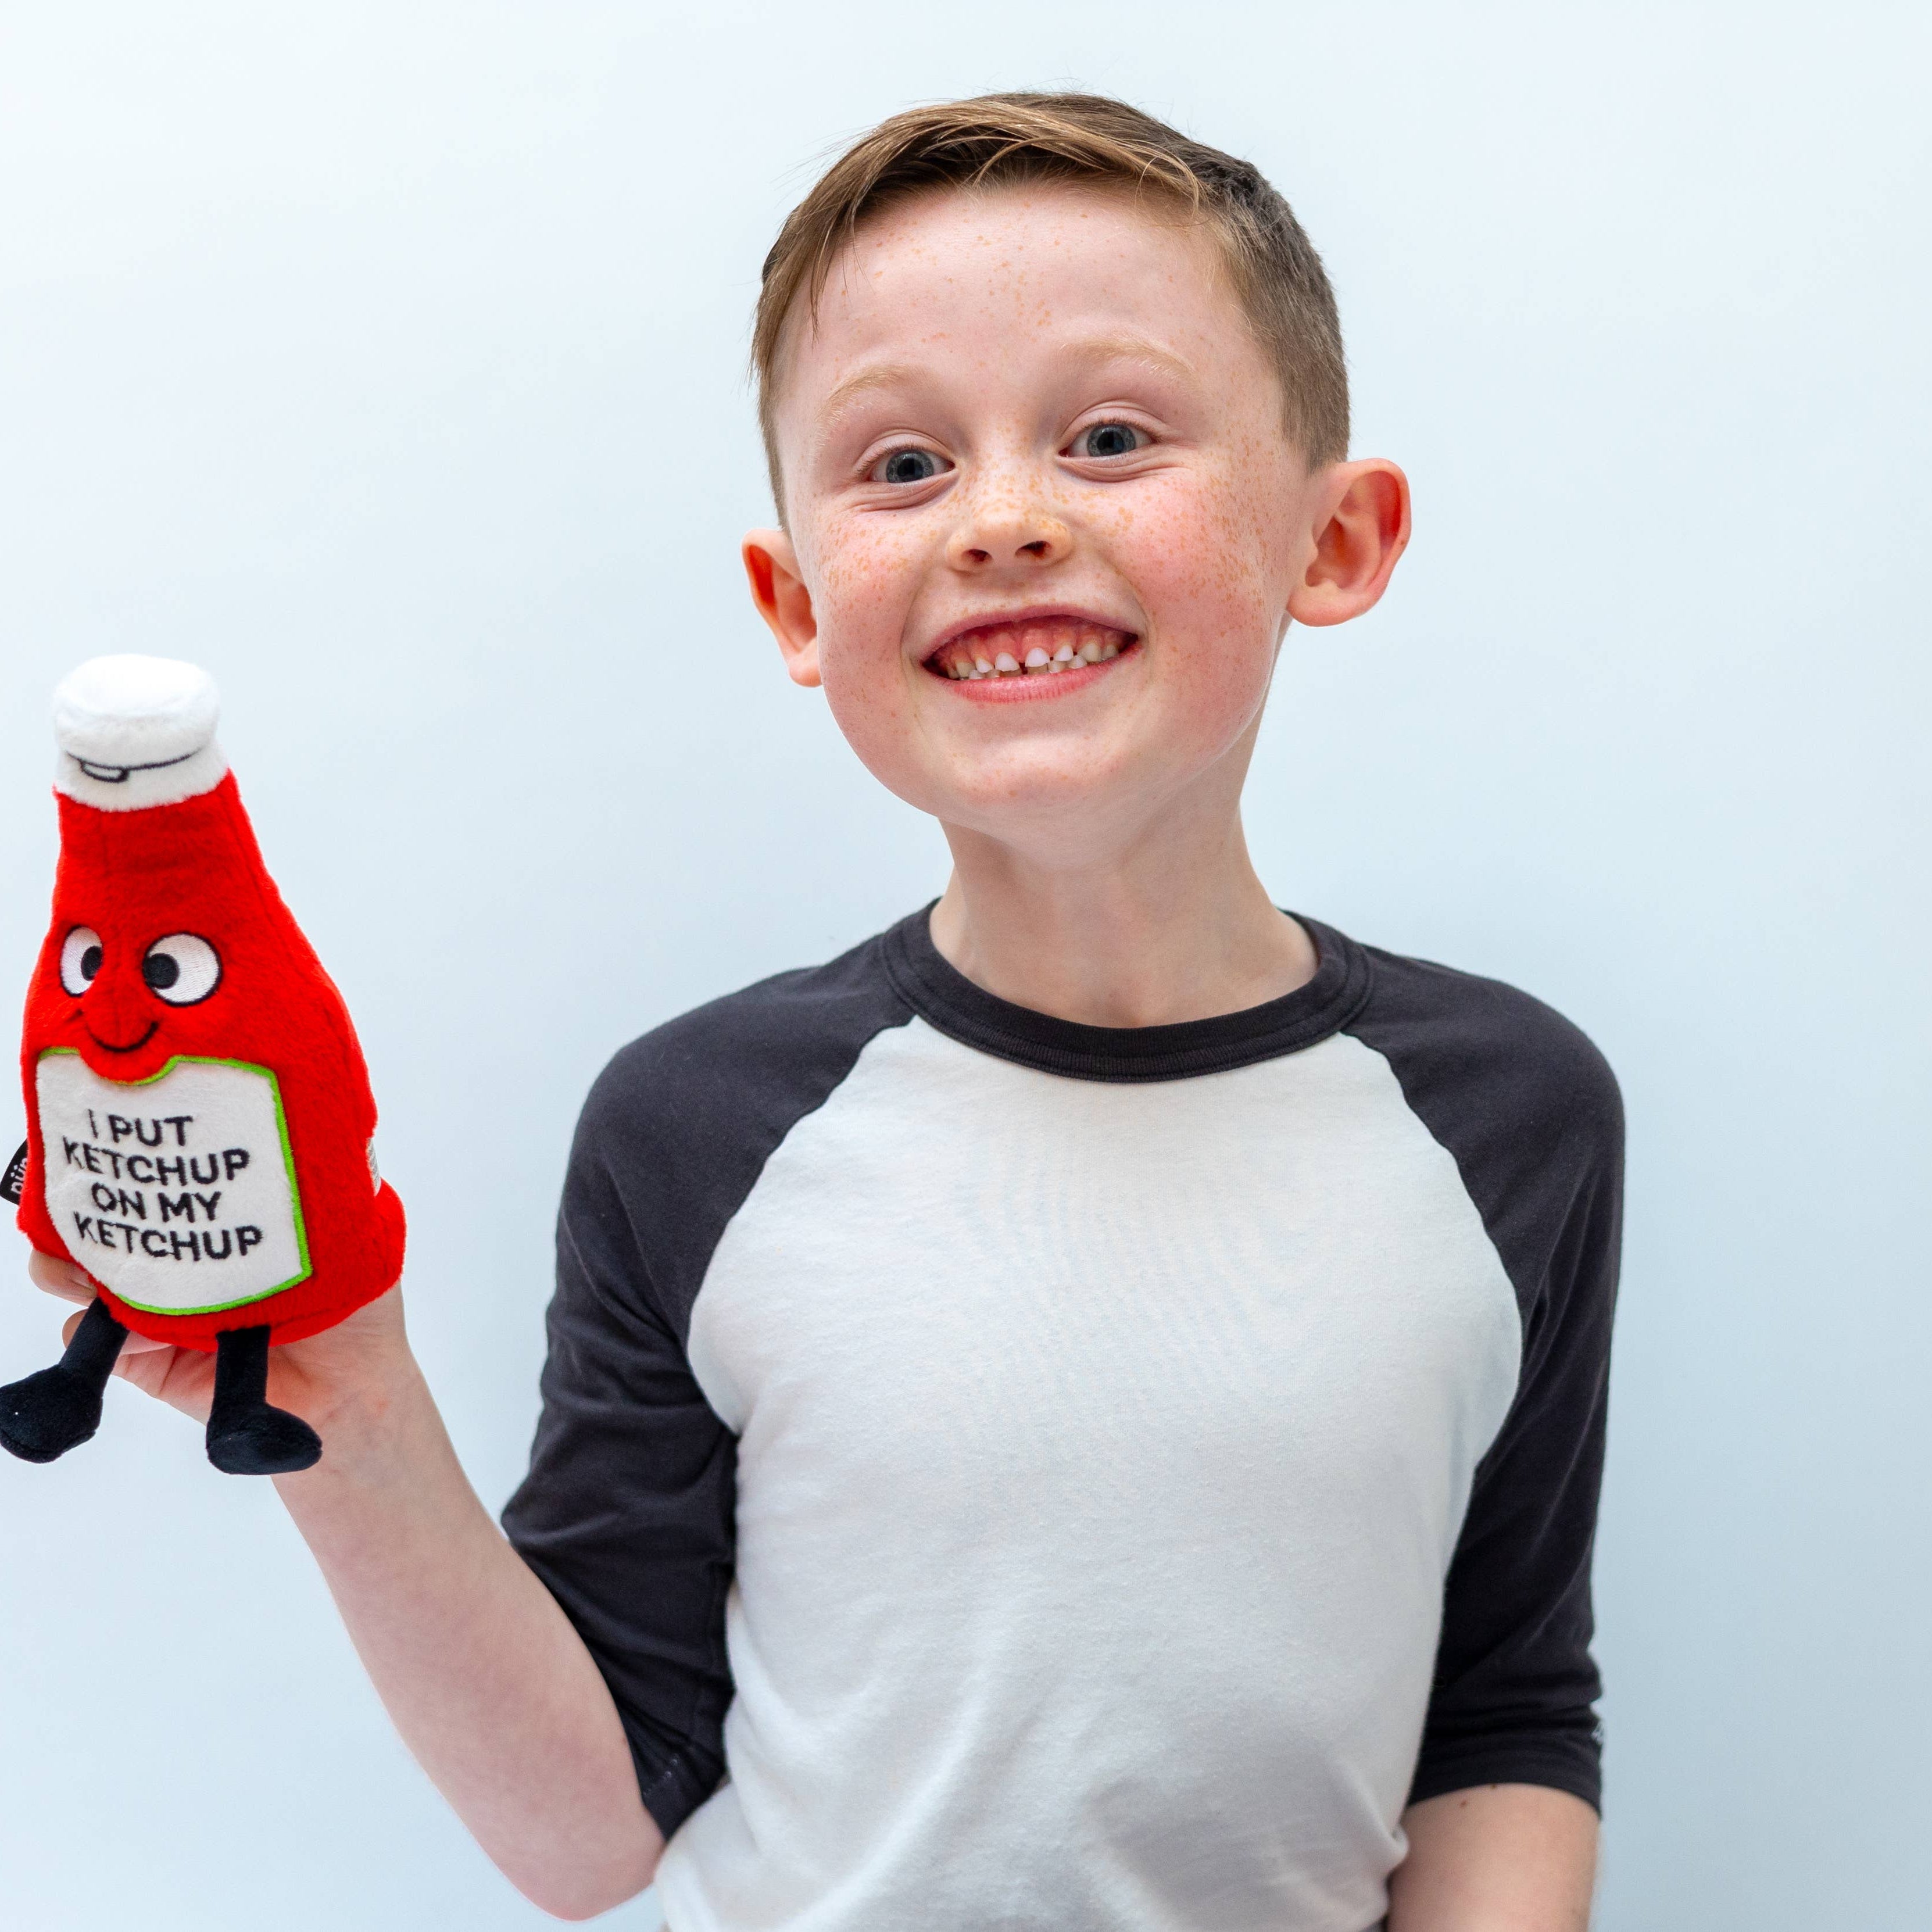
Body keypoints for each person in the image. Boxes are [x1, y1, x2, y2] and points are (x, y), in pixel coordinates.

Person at [31, 92, 1620, 1931]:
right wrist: (348, 1391)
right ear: (796, 602)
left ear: (1332, 541)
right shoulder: (693, 1124)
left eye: (1109, 436)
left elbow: (1501, 1703)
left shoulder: (1513, 1113)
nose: (1005, 520)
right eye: (900, 467)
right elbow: (595, 1829)